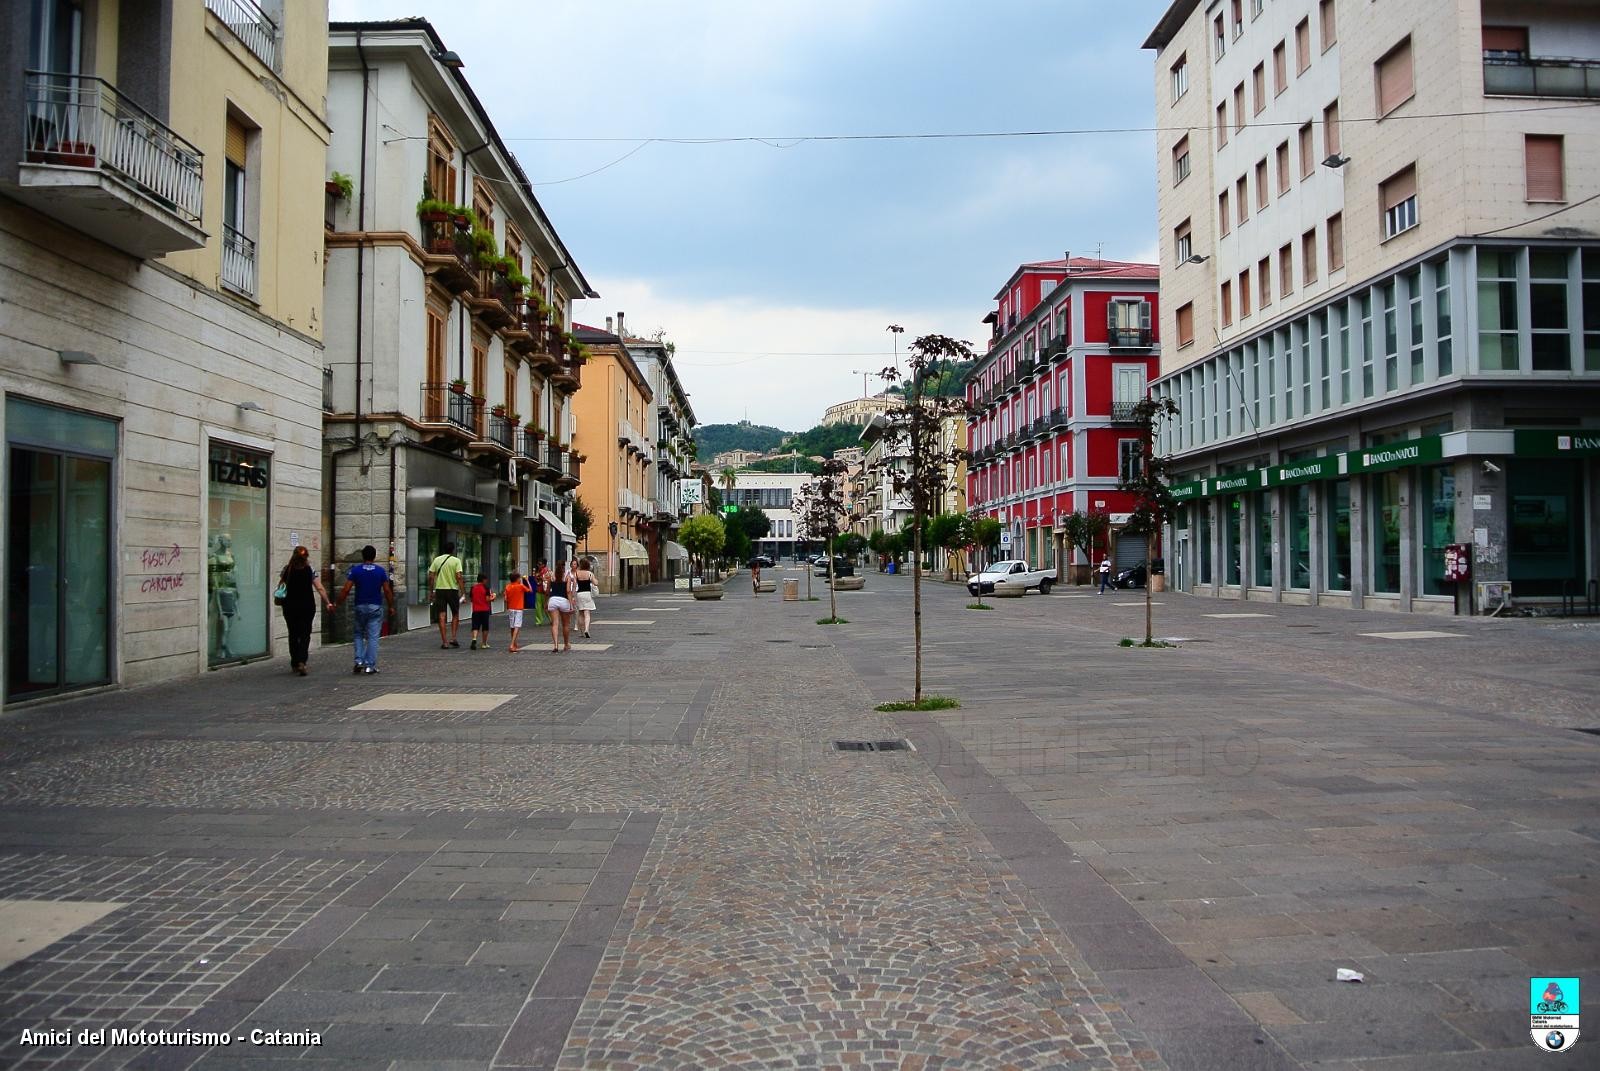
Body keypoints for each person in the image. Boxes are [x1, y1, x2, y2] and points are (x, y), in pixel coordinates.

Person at [335, 545, 394, 674]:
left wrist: (337, 603)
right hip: (375, 607)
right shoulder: (380, 571)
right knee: (373, 637)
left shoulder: (355, 571)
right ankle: (370, 665)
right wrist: (391, 606)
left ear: (363, 556)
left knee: (358, 634)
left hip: (360, 606)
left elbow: (346, 589)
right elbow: (387, 590)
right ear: (374, 556)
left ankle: (359, 661)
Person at [278, 546, 333, 677]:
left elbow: (280, 586)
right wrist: (328, 602)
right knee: (305, 634)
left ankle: (295, 662)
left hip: (289, 606)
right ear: (306, 557)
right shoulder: (310, 570)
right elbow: (319, 588)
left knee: (293, 634)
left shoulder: (287, 569)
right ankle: (302, 661)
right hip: (307, 606)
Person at [428, 541, 465, 648]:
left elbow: (431, 577)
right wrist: (463, 592)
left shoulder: (437, 560)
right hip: (452, 590)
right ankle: (453, 637)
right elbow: (459, 577)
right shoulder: (456, 561)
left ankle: (444, 642)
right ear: (452, 550)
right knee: (455, 614)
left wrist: (431, 591)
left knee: (441, 615)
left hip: (440, 590)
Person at [547, 559, 575, 653]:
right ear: (564, 566)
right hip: (564, 600)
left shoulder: (551, 576)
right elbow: (568, 591)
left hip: (553, 600)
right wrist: (571, 604)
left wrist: (546, 602)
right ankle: (566, 644)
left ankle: (555, 645)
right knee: (566, 624)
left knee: (554, 624)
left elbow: (547, 590)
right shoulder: (567, 576)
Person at [505, 571, 533, 652]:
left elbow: (505, 599)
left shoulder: (508, 586)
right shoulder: (520, 586)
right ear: (517, 579)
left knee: (512, 626)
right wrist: (527, 580)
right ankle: (512, 644)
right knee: (517, 626)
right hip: (518, 609)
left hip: (511, 608)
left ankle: (514, 643)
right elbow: (530, 590)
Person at [468, 572, 497, 650]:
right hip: (484, 610)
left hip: (475, 610)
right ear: (484, 580)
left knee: (475, 626)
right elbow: (487, 599)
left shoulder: (473, 587)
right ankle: (484, 643)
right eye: (486, 579)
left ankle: (474, 638)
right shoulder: (486, 588)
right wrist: (493, 597)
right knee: (485, 627)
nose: (486, 581)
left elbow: (471, 599)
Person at [573, 557, 598, 638]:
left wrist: (573, 596)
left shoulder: (576, 573)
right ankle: (586, 629)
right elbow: (596, 583)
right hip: (587, 594)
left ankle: (581, 632)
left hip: (579, 594)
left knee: (580, 613)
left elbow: (574, 585)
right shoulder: (590, 573)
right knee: (587, 613)